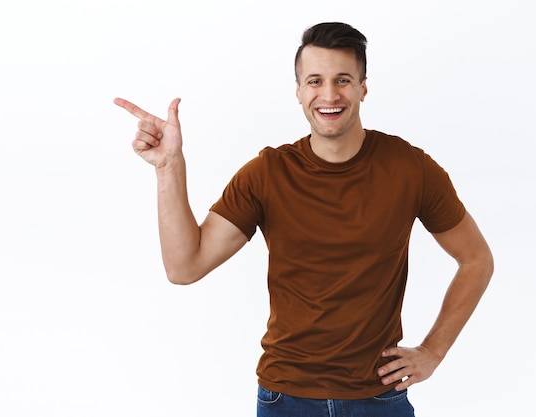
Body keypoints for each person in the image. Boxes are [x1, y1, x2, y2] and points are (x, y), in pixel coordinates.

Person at [114, 22, 493, 417]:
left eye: (343, 79)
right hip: (286, 398)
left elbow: (477, 259)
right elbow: (184, 266)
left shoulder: (410, 168)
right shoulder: (266, 173)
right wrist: (169, 167)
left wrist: (433, 351)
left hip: (379, 397)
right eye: (315, 81)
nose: (329, 95)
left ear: (364, 87)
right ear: (298, 91)